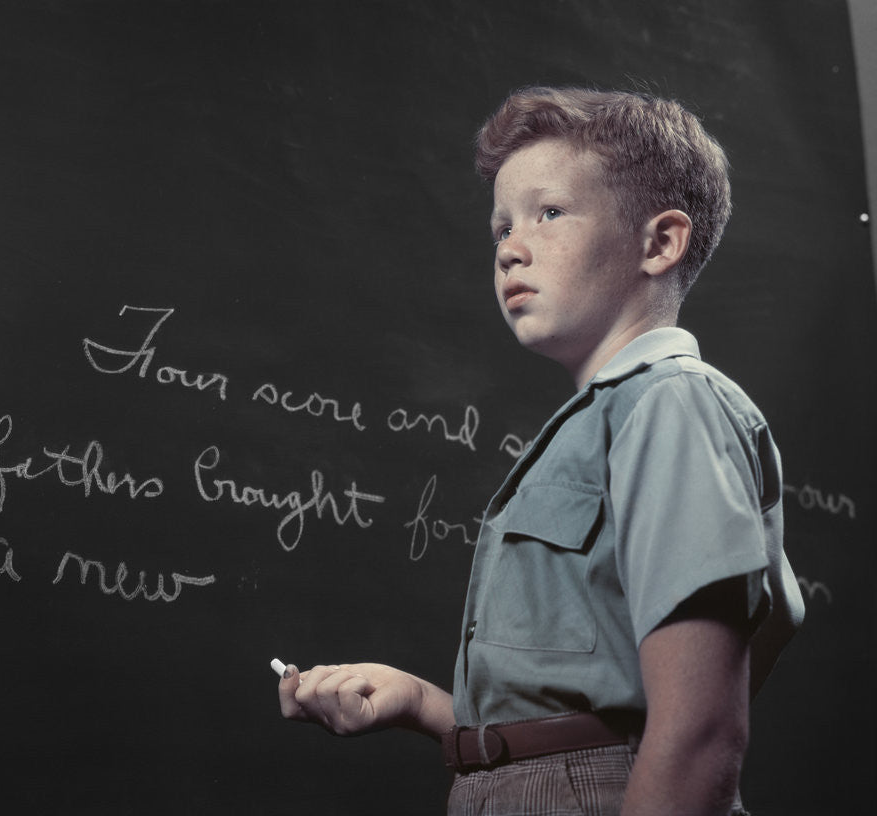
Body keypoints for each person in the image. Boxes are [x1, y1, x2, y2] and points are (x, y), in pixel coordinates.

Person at [277, 86, 805, 816]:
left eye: (549, 213)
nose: (511, 248)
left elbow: (698, 733)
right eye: (501, 227)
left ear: (660, 242)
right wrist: (423, 705)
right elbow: (586, 711)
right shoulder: (601, 421)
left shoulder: (668, 405)